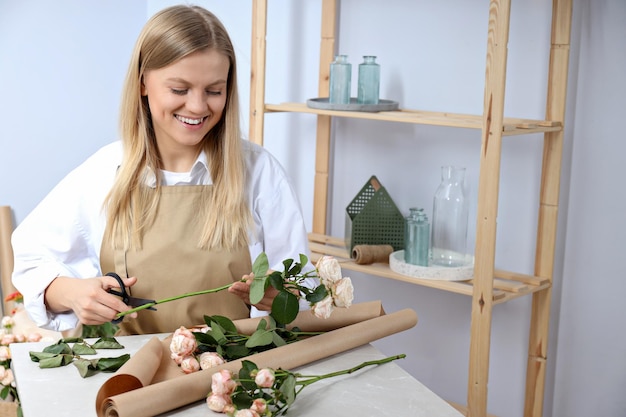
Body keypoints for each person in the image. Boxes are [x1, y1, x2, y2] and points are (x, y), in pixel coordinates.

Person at [11, 5, 315, 335]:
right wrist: (71, 294)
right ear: (142, 83)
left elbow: (304, 288)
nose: (198, 106)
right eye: (179, 89)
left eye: (214, 90)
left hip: (233, 375)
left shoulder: (259, 172)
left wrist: (282, 296)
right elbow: (31, 262)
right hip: (132, 377)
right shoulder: (104, 172)